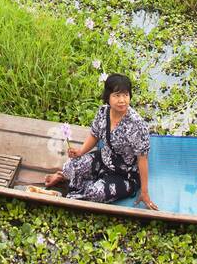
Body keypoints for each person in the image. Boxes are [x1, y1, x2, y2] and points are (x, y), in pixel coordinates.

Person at [44, 73, 157, 210]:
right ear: (108, 97)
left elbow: (142, 158)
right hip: (104, 160)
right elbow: (94, 135)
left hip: (125, 174)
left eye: (125, 95)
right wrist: (80, 152)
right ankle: (64, 177)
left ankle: (77, 190)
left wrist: (144, 192)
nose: (122, 100)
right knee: (70, 166)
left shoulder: (137, 124)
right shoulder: (103, 112)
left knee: (95, 192)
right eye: (117, 95)